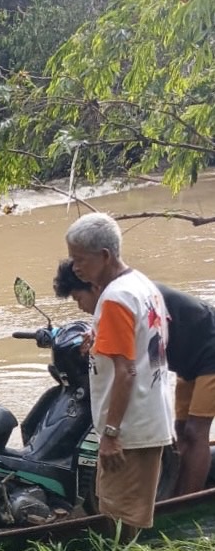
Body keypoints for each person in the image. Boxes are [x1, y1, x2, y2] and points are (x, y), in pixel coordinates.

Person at [54, 258, 215, 495]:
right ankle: (177, 493)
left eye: (79, 298)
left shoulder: (127, 296)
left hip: (210, 352)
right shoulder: (118, 297)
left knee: (195, 431)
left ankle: (186, 501)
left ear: (94, 287)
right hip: (189, 360)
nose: (80, 306)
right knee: (181, 429)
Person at [65, 213, 173, 534]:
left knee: (120, 515)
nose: (75, 268)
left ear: (105, 256)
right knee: (130, 509)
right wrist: (97, 338)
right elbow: (139, 347)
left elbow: (126, 371)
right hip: (150, 415)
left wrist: (111, 434)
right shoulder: (140, 285)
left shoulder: (114, 298)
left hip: (129, 426)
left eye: (79, 259)